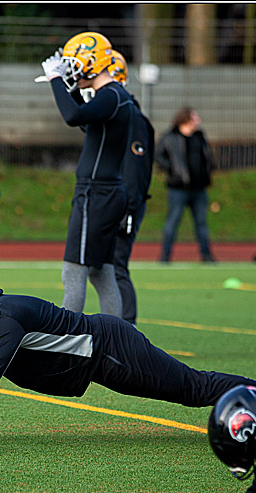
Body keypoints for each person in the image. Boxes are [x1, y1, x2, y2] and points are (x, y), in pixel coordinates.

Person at [0, 274, 256, 454]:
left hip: (110, 350)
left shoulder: (3, 320)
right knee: (193, 390)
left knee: (195, 389)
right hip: (98, 361)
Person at [39, 31, 131, 317]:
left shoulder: (111, 95)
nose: (72, 68)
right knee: (101, 273)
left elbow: (73, 117)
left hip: (96, 193)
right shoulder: (113, 97)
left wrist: (55, 79)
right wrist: (71, 88)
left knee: (73, 272)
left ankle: (65, 343)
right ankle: (120, 340)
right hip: (103, 192)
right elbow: (86, 120)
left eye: (76, 63)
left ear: (93, 61)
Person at [105, 51, 154, 326]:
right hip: (110, 202)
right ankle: (116, 325)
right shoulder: (116, 114)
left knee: (116, 267)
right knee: (102, 268)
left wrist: (128, 209)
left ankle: (127, 327)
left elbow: (134, 171)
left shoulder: (132, 117)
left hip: (123, 205)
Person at [155, 107, 216, 264]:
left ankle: (207, 256)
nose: (198, 121)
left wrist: (208, 170)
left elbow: (207, 157)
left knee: (201, 223)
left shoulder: (199, 137)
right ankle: (165, 256)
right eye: (195, 118)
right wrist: (172, 170)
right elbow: (158, 155)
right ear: (186, 119)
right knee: (172, 222)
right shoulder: (170, 137)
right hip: (178, 189)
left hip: (198, 188)